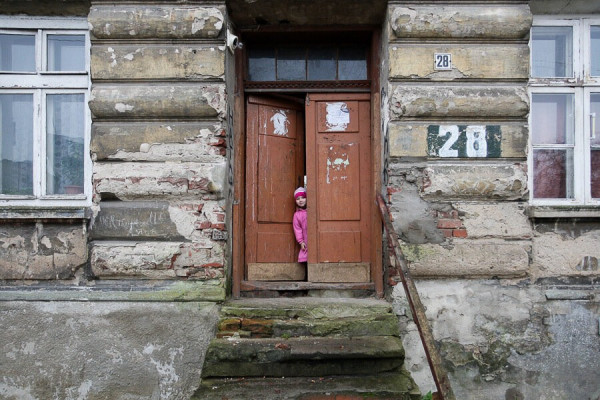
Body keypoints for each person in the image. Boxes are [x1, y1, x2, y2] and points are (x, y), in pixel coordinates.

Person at [292, 187, 307, 263]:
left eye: (303, 198)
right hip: (305, 238)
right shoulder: (297, 215)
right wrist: (301, 241)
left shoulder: (312, 211)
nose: (300, 200)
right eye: (298, 199)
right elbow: (297, 229)